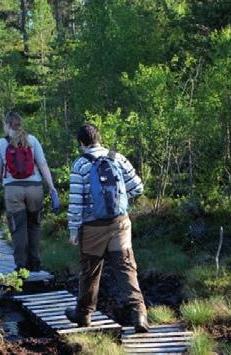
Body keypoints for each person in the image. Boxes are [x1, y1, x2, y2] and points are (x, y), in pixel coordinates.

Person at [64, 124, 149, 332]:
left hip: (92, 227)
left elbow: (76, 202)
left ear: (82, 143)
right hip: (120, 223)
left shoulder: (80, 165)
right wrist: (118, 200)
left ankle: (83, 315)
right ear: (99, 138)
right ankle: (139, 313)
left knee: (90, 271)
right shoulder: (117, 158)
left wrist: (74, 230)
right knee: (126, 268)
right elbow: (138, 188)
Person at [0, 113, 57, 272]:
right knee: (34, 225)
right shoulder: (32, 140)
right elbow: (42, 164)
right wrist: (52, 186)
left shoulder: (1, 144)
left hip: (13, 189)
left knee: (18, 227)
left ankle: (21, 265)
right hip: (35, 188)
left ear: (7, 125)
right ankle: (35, 263)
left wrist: (4, 182)